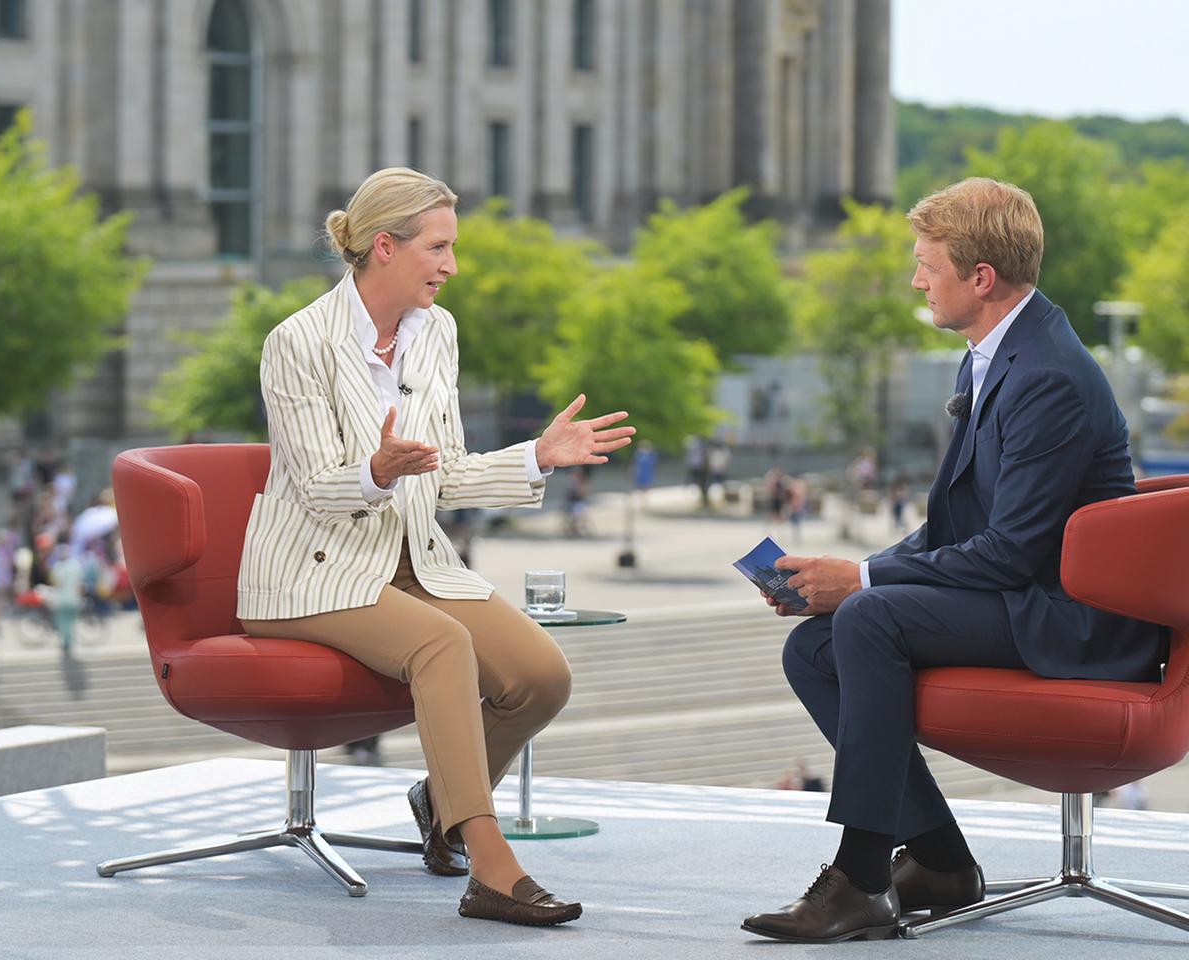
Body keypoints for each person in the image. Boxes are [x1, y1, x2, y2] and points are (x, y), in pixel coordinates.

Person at [740, 178, 1166, 943]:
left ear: (981, 278)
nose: (916, 281)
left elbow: (1009, 551)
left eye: (927, 266)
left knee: (868, 618)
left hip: (1075, 617)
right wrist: (838, 576)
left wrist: (862, 583)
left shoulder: (1047, 376)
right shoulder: (994, 357)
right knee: (812, 646)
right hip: (1026, 593)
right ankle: (938, 858)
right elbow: (952, 527)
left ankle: (861, 877)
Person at [236, 168, 634, 927]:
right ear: (385, 247)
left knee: (541, 677)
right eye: (439, 247)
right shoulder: (297, 342)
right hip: (310, 574)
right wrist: (377, 471)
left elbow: (444, 473)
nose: (452, 265)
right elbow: (316, 487)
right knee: (443, 644)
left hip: (413, 562)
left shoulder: (436, 331)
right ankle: (491, 868)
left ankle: (440, 800)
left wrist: (536, 457)